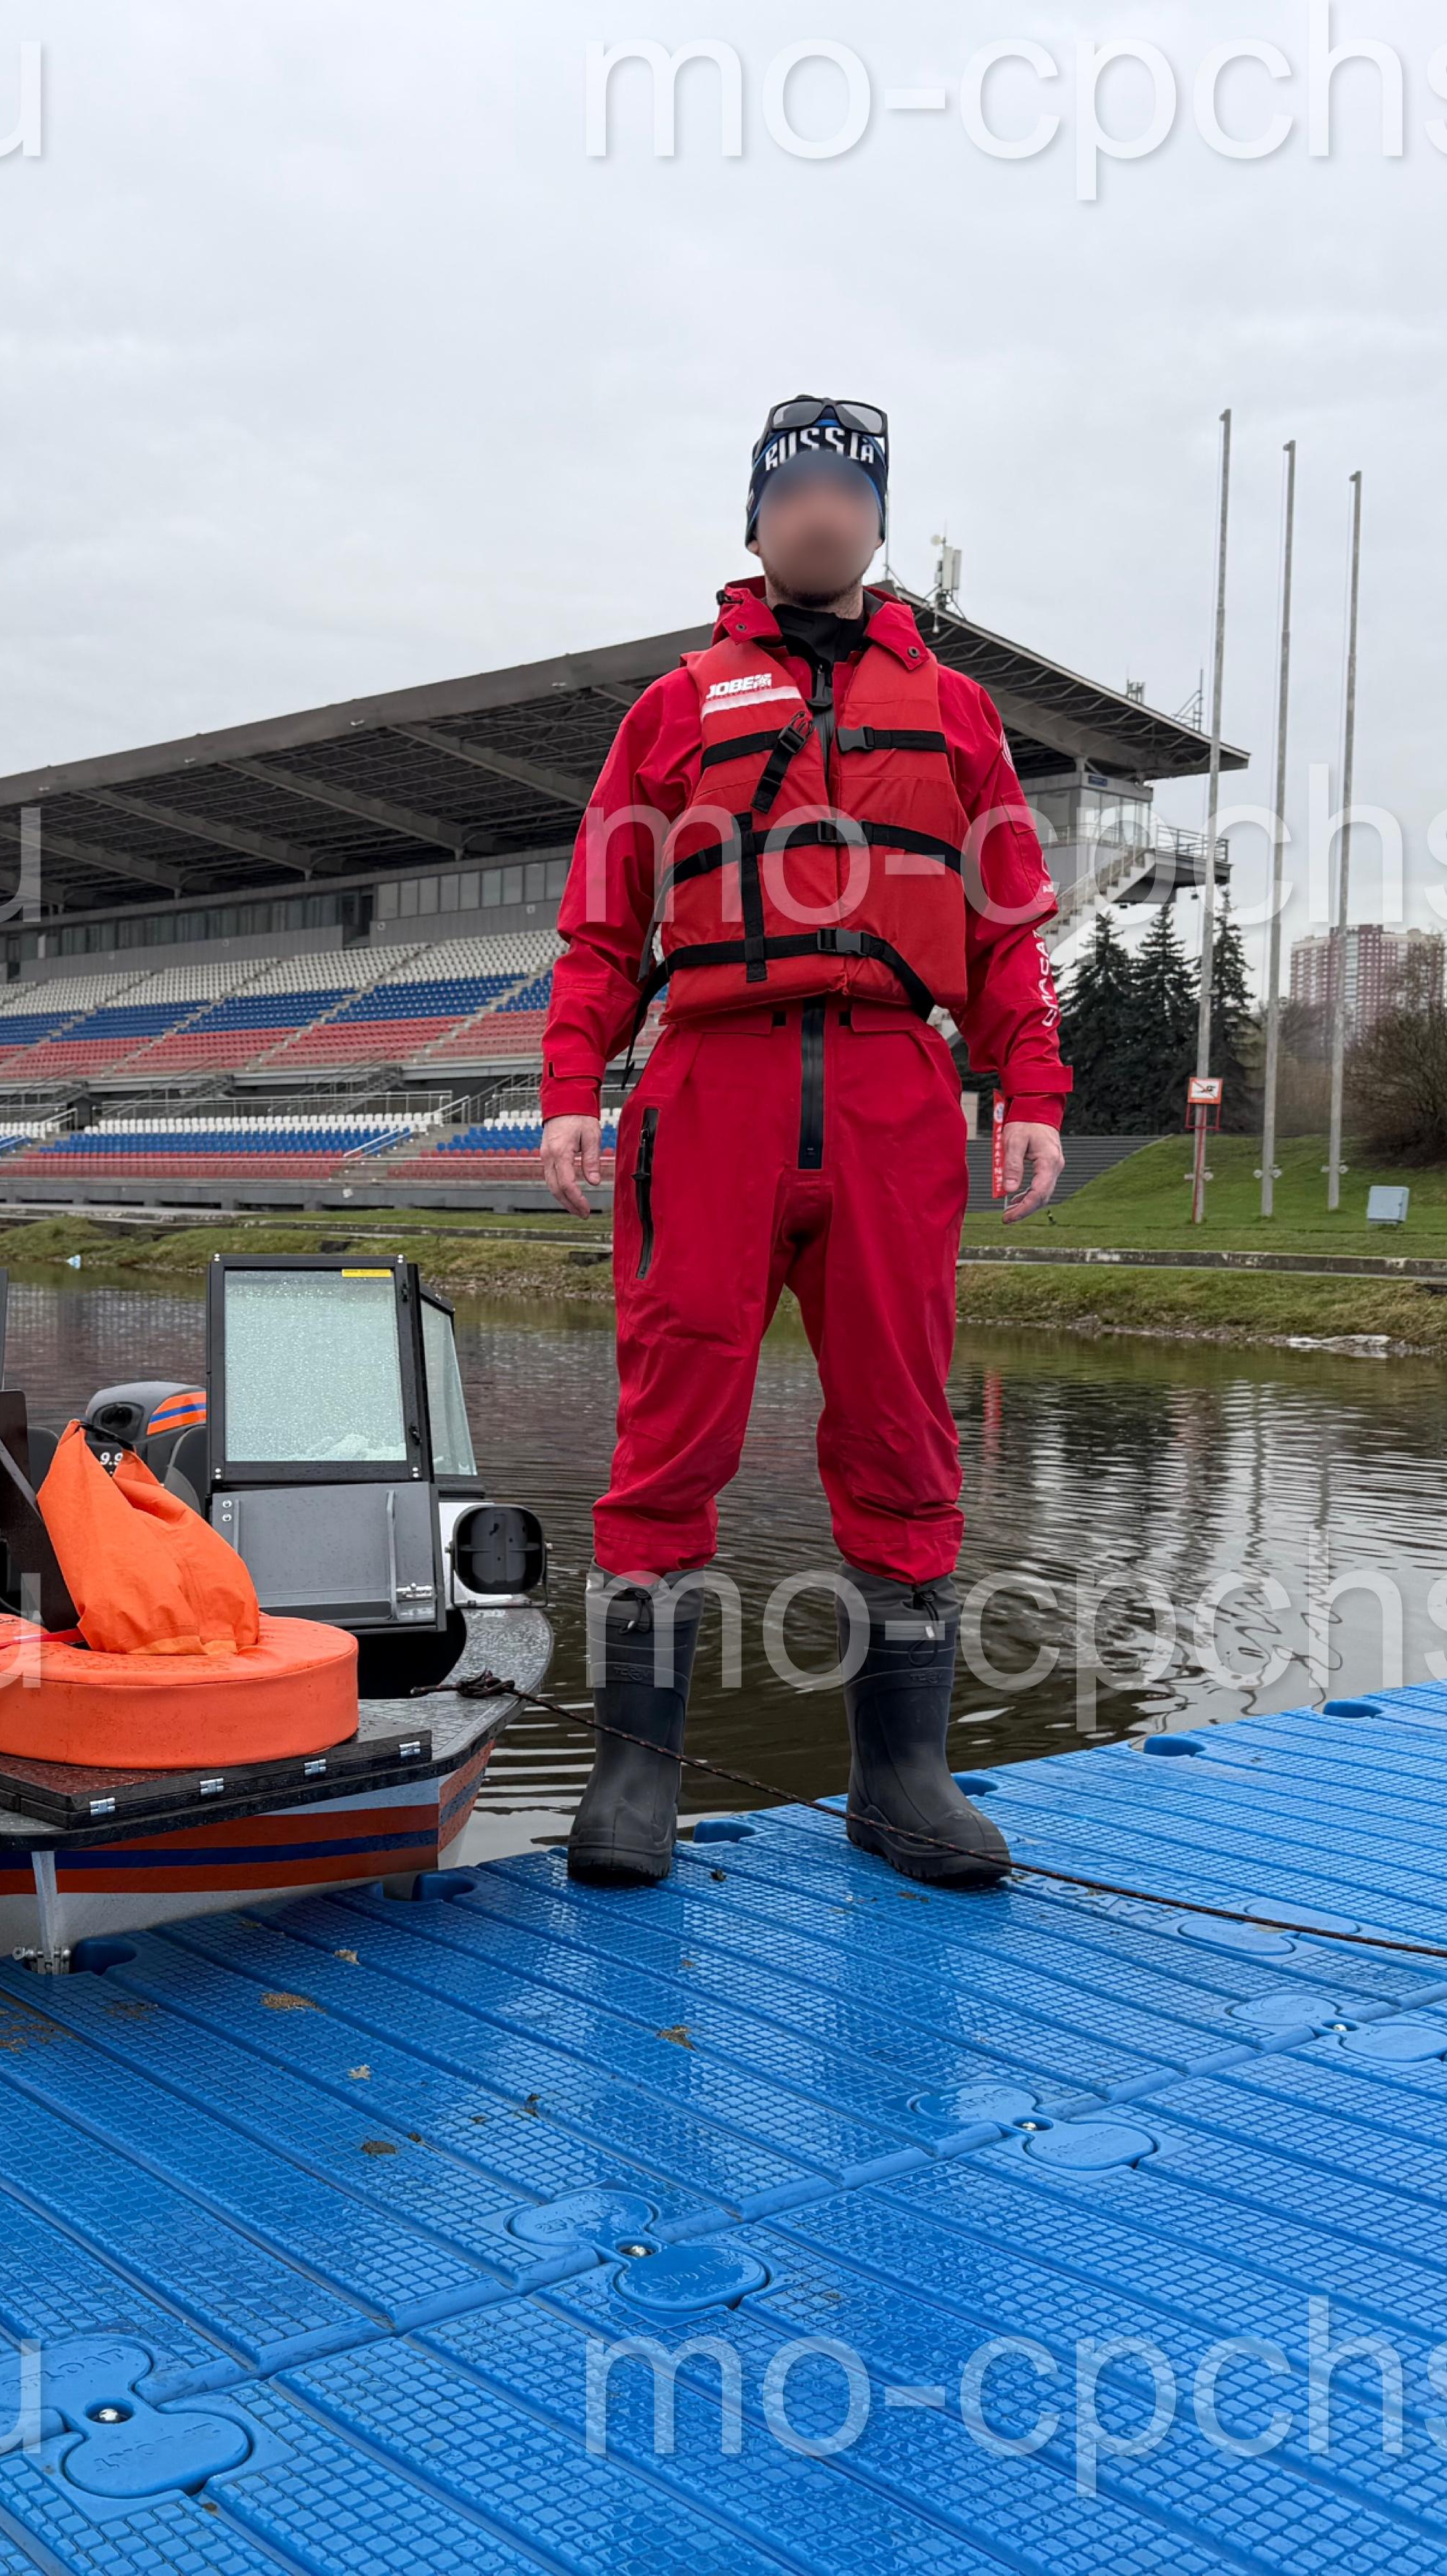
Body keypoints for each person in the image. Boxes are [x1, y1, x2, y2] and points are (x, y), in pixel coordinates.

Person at [537, 397, 1071, 1890]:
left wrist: (1027, 1089)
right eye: (796, 491)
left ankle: (903, 1778)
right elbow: (600, 919)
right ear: (756, 523)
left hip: (898, 1089)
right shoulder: (670, 709)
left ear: (877, 521)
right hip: (710, 1088)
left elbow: (1010, 928)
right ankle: (633, 1769)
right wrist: (571, 1081)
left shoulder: (959, 717)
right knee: (669, 1427)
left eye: (848, 489)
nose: (822, 512)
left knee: (904, 1428)